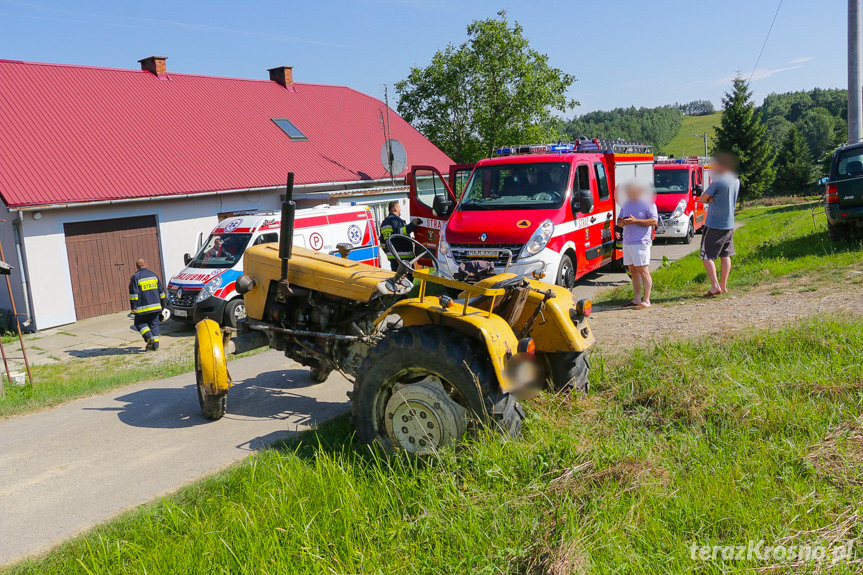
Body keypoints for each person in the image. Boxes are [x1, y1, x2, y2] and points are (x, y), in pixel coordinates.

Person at [700, 152, 740, 297]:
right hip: (729, 223)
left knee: (706, 256)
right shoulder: (736, 180)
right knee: (725, 254)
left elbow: (702, 199)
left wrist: (709, 199)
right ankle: (723, 286)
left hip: (714, 223)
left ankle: (714, 286)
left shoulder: (717, 181)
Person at [618, 179, 659, 310]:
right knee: (633, 270)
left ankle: (646, 300)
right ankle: (636, 299)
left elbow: (654, 221)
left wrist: (636, 221)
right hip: (628, 241)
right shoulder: (626, 204)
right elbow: (619, 222)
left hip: (641, 242)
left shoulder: (648, 203)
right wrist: (622, 222)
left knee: (643, 271)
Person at [128, 258, 166, 351]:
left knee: (139, 323)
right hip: (156, 307)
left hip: (142, 308)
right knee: (154, 325)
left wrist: (134, 307)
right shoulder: (154, 275)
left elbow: (134, 295)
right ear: (146, 265)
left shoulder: (136, 277)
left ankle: (149, 337)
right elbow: (161, 292)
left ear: (136, 267)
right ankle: (155, 346)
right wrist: (163, 305)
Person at [379, 200, 422, 272]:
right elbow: (402, 232)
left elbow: (382, 242)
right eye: (399, 208)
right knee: (409, 277)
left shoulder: (384, 222)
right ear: (395, 209)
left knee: (397, 278)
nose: (400, 210)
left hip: (392, 257)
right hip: (403, 256)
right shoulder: (395, 220)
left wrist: (388, 252)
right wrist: (413, 224)